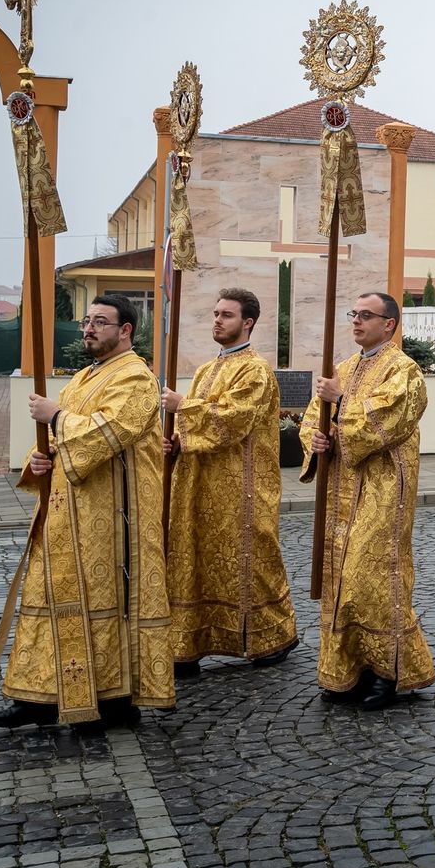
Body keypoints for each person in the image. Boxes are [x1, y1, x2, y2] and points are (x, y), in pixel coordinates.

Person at [0, 296, 172, 728]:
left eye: (100, 322)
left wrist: (57, 416)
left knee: (105, 606)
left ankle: (115, 698)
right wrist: (39, 458)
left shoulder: (137, 378)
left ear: (125, 331)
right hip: (67, 514)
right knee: (49, 599)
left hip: (112, 522)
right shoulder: (85, 376)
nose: (88, 328)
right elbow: (59, 439)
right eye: (87, 321)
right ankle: (38, 697)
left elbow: (112, 431)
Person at [300, 292, 435, 710]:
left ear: (389, 324)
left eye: (366, 315)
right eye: (353, 314)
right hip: (341, 485)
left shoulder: (405, 370)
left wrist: (342, 402)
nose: (356, 321)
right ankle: (349, 669)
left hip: (383, 490)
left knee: (370, 577)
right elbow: (310, 418)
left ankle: (391, 673)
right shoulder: (342, 368)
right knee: (339, 578)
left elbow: (388, 420)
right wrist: (317, 439)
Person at [162, 288, 297, 678]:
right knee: (194, 560)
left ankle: (271, 637)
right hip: (198, 484)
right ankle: (189, 641)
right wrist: (176, 441)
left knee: (251, 561)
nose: (217, 320)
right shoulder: (207, 369)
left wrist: (183, 407)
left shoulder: (255, 369)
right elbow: (194, 425)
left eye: (227, 315)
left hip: (243, 488)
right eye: (215, 313)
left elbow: (233, 420)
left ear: (248, 322)